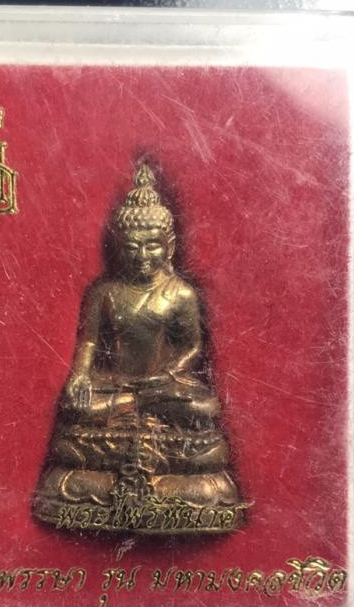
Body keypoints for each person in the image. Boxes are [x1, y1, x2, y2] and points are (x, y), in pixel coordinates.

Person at [33, 164, 243, 533]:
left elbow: (193, 346)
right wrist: (79, 377)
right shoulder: (105, 292)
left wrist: (170, 373)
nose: (141, 255)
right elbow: (90, 341)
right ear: (119, 247)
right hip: (116, 385)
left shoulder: (181, 293)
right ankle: (138, 413)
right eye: (131, 247)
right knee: (74, 413)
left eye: (151, 245)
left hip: (164, 387)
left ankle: (135, 417)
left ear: (169, 245)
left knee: (205, 410)